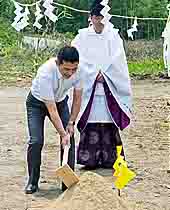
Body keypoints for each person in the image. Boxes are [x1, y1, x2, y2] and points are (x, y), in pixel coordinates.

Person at [72, 0, 132, 169]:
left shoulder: (113, 36)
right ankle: (89, 159)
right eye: (97, 17)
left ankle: (110, 159)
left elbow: (118, 60)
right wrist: (93, 74)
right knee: (90, 120)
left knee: (108, 121)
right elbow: (77, 59)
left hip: (109, 85)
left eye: (103, 17)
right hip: (88, 86)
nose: (100, 20)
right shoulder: (81, 37)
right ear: (91, 17)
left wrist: (105, 74)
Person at [25, 46, 83, 194]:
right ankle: (32, 181)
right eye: (66, 69)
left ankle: (67, 184)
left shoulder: (79, 71)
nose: (70, 73)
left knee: (69, 139)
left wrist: (71, 123)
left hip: (60, 102)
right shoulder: (46, 72)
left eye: (73, 69)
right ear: (58, 63)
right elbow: (51, 109)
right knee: (36, 141)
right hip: (36, 104)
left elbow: (77, 99)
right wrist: (62, 133)